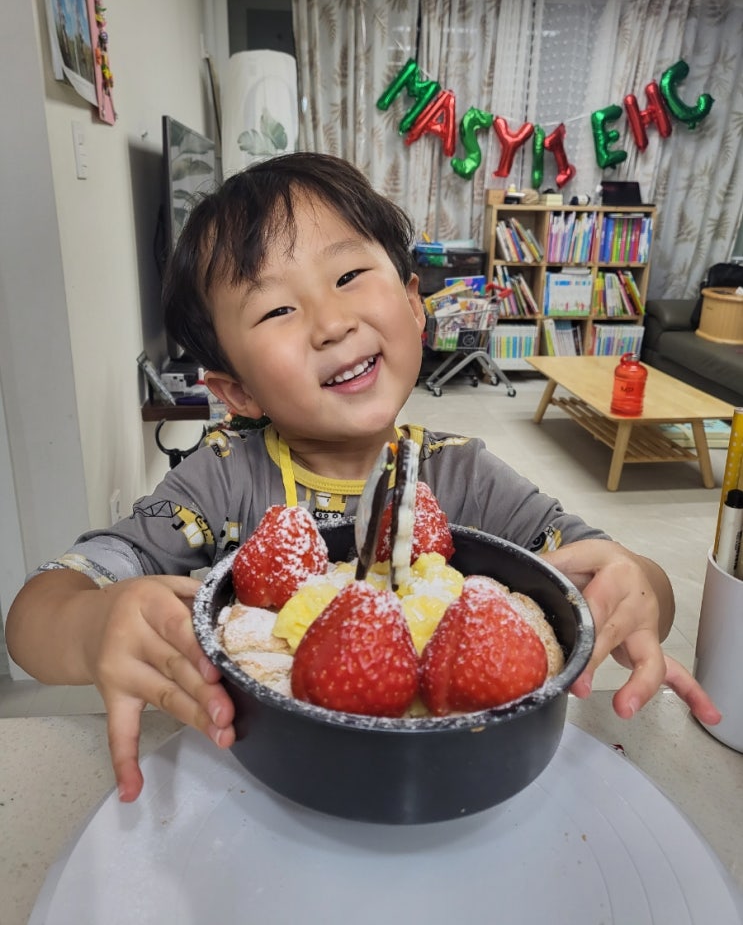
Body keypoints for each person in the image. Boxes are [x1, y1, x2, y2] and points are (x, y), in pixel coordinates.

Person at [7, 152, 720, 802]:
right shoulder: (218, 482)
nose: (331, 322)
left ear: (413, 304)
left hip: (445, 791)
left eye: (348, 276)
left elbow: (620, 579)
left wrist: (639, 586)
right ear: (236, 391)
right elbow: (36, 614)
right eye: (277, 309)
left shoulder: (467, 476)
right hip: (262, 795)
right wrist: (94, 624)